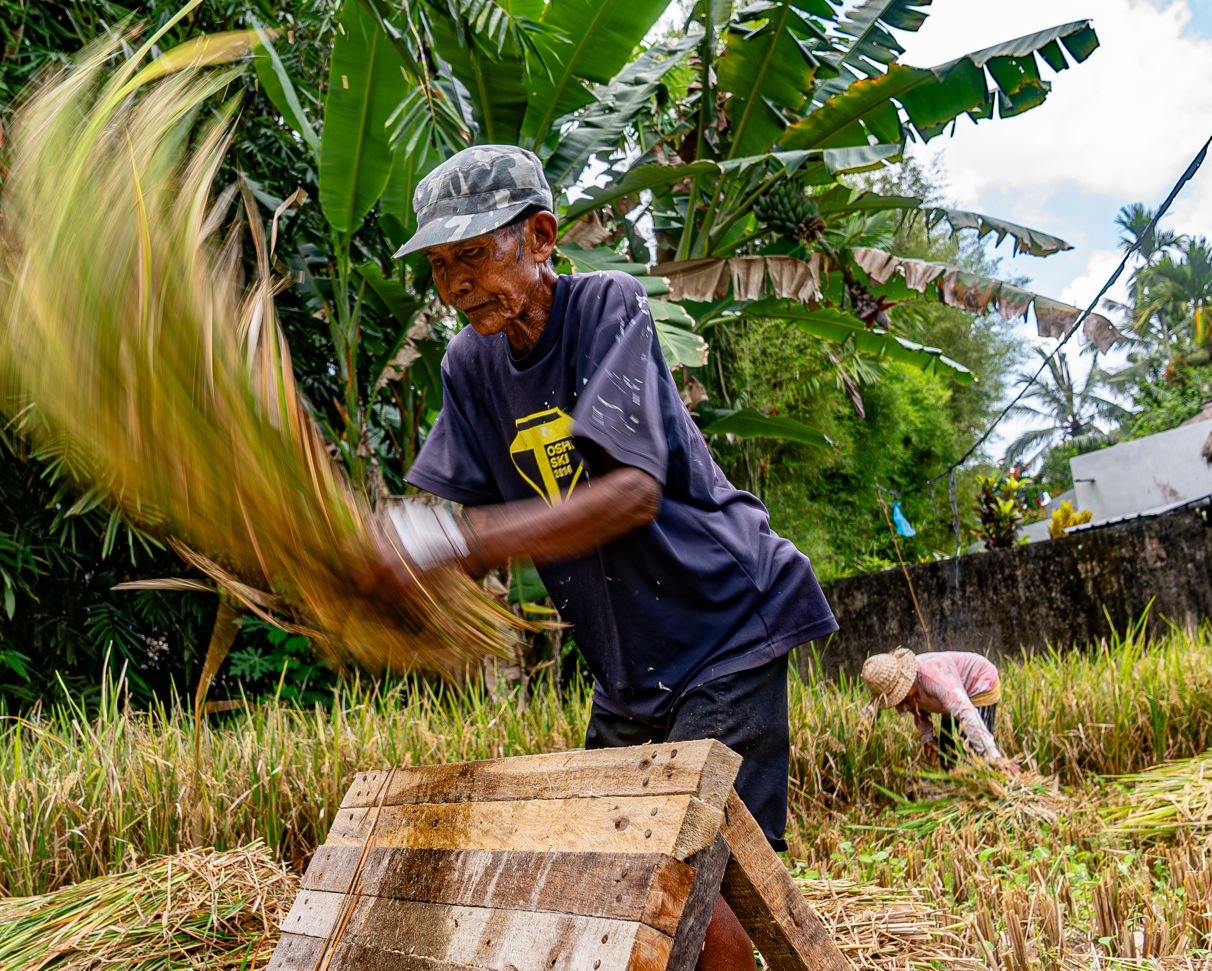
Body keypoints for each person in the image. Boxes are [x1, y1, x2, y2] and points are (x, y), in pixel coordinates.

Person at [364, 144, 839, 971]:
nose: (455, 284)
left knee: (696, 883)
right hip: (630, 669)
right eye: (440, 266)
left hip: (726, 626)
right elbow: (485, 524)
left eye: (473, 254)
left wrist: (454, 543)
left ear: (541, 237)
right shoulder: (470, 364)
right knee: (615, 874)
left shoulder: (606, 308)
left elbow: (632, 495)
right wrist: (400, 580)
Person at [860, 647, 1021, 773]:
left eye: (900, 693)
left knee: (973, 759)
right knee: (948, 758)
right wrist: (928, 738)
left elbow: (966, 713)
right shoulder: (907, 695)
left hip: (978, 683)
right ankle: (955, 796)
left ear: (907, 678)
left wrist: (993, 755)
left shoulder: (936, 678)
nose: (900, 702)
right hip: (948, 701)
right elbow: (918, 710)